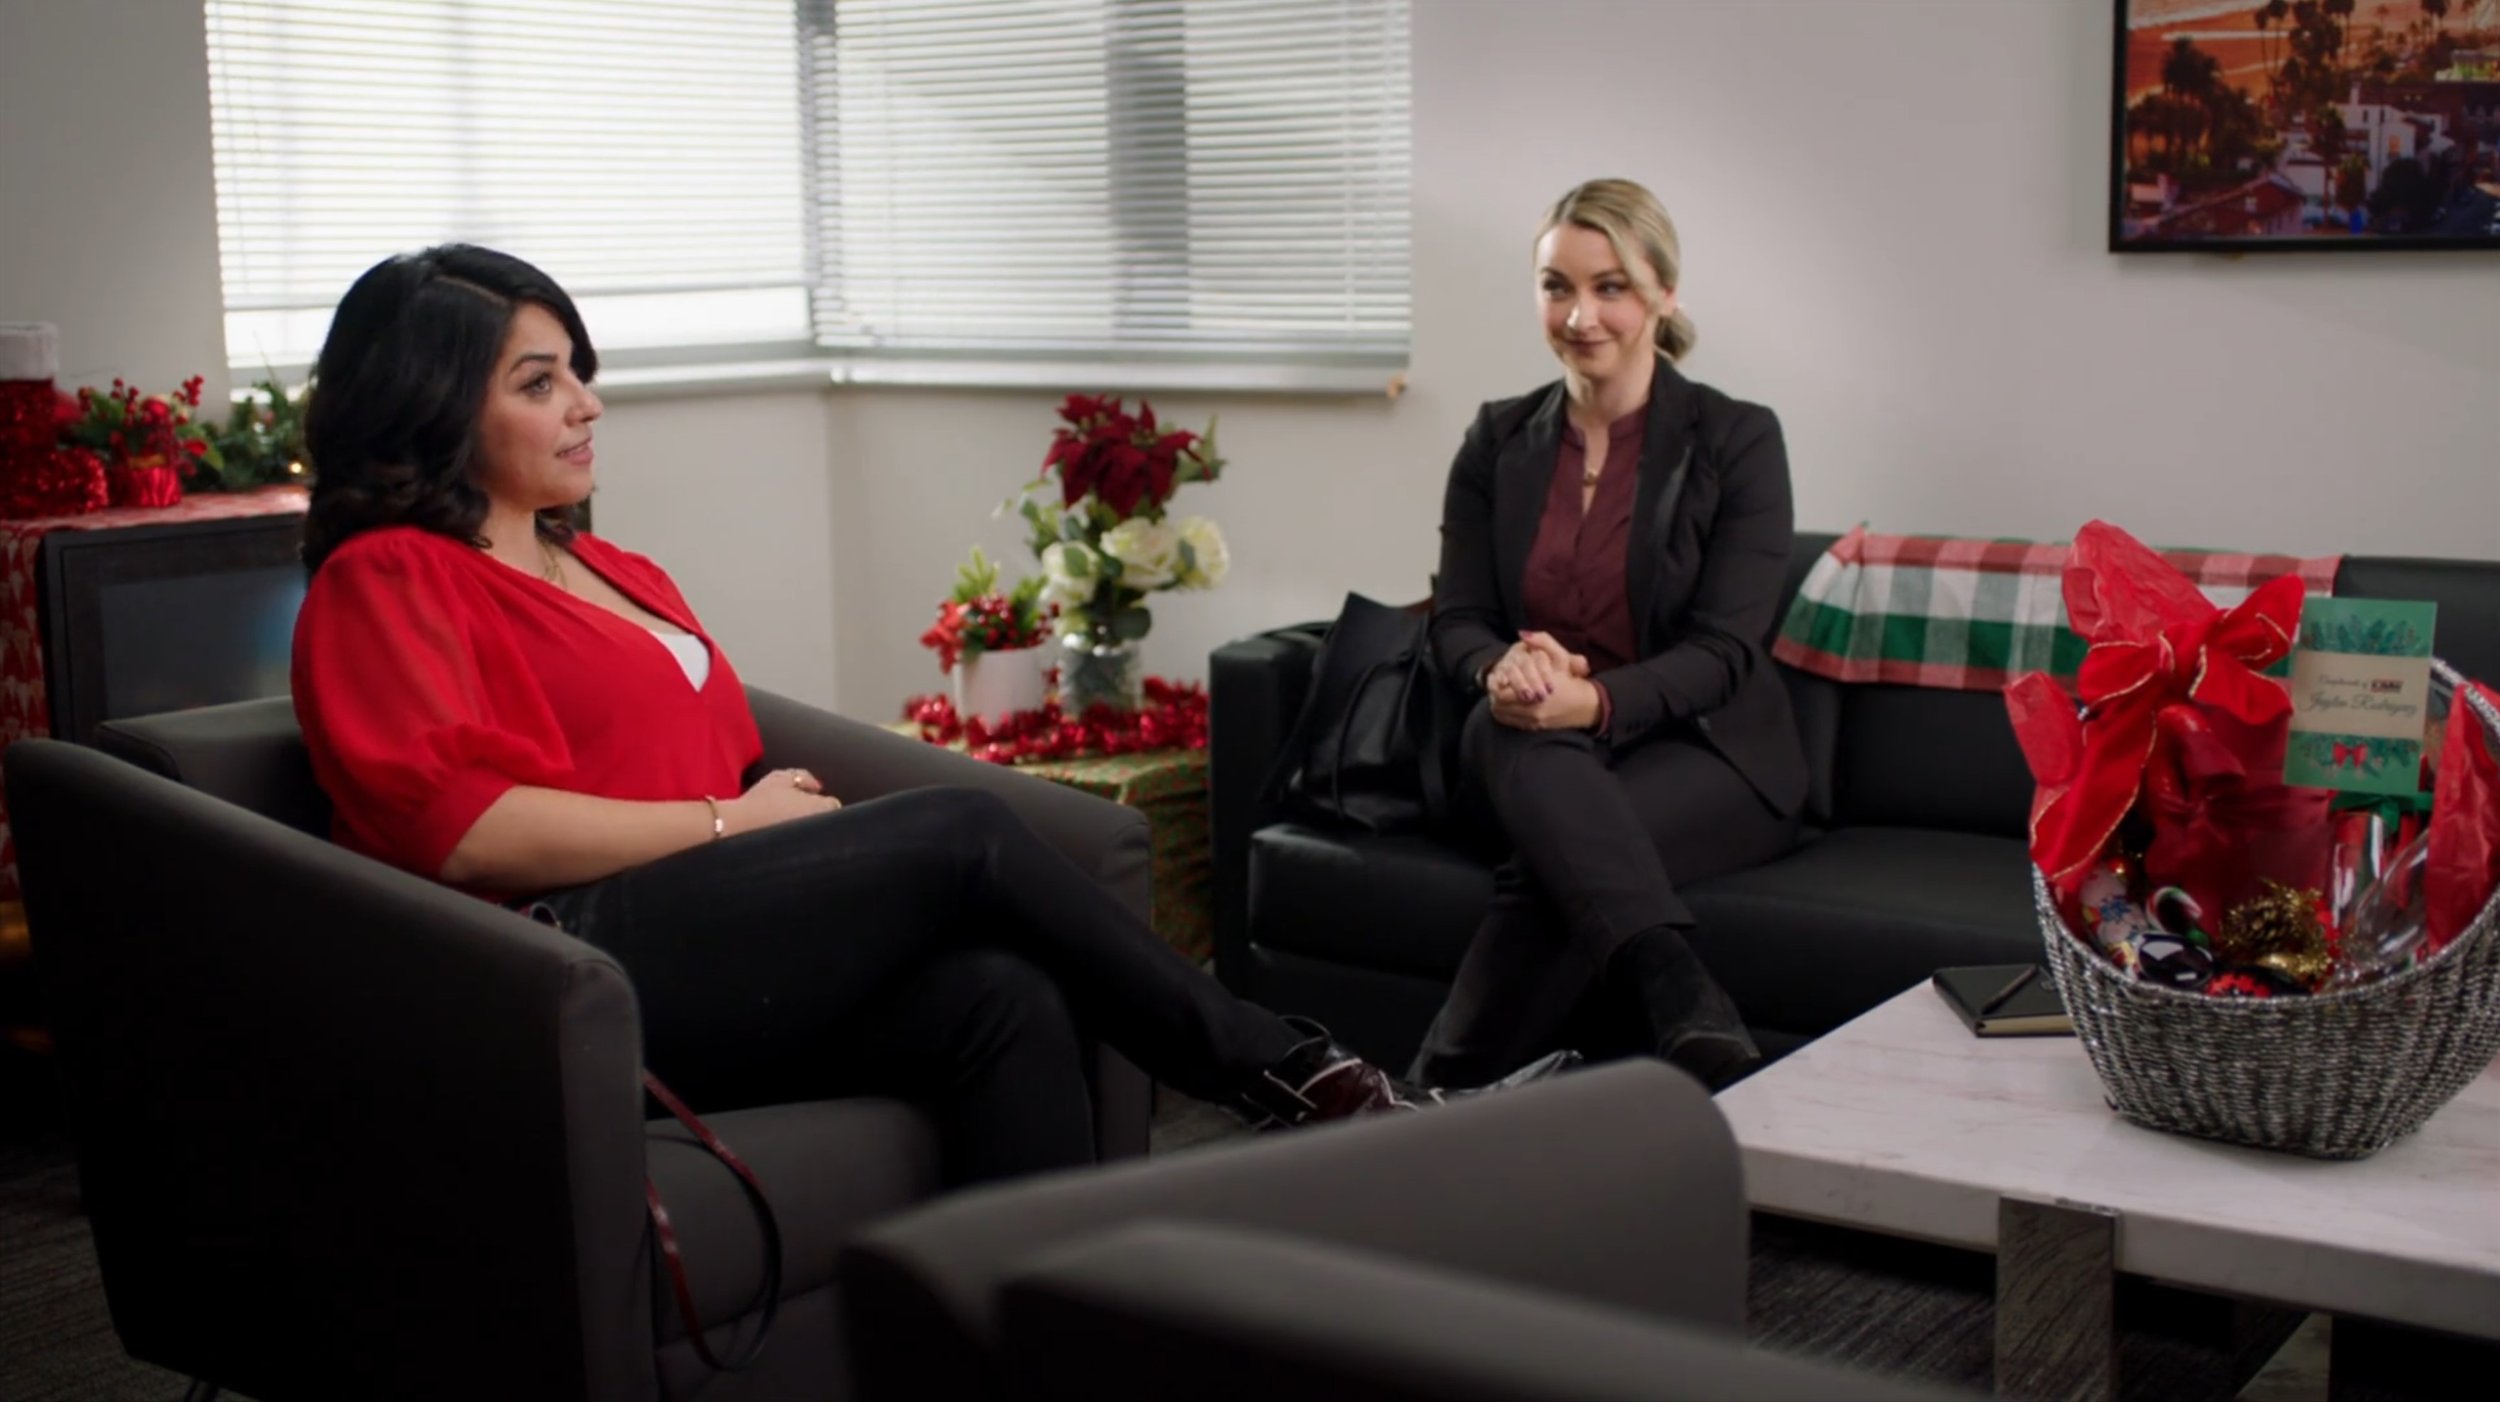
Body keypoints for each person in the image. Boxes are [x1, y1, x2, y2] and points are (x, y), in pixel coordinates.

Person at [289, 244, 1570, 1187]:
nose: (587, 404)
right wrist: (731, 828)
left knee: (999, 996)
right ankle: (1307, 1080)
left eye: (581, 371)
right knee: (960, 827)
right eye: (539, 381)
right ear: (436, 401)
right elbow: (465, 829)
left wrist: (770, 842)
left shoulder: (622, 573)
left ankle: (1055, 1333)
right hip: (560, 964)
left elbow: (724, 761)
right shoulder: (389, 576)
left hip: (710, 934)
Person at [1414, 179, 1807, 1092]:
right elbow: (1459, 618)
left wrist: (1593, 701)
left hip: (1704, 752)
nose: (1581, 315)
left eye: (1611, 286)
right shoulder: (1497, 439)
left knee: (1553, 870)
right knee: (1505, 728)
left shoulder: (1739, 439)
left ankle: (1422, 1101)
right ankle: (1682, 1002)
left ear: (1665, 294)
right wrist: (1502, 667)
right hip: (1532, 741)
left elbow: (1726, 651)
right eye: (1557, 286)